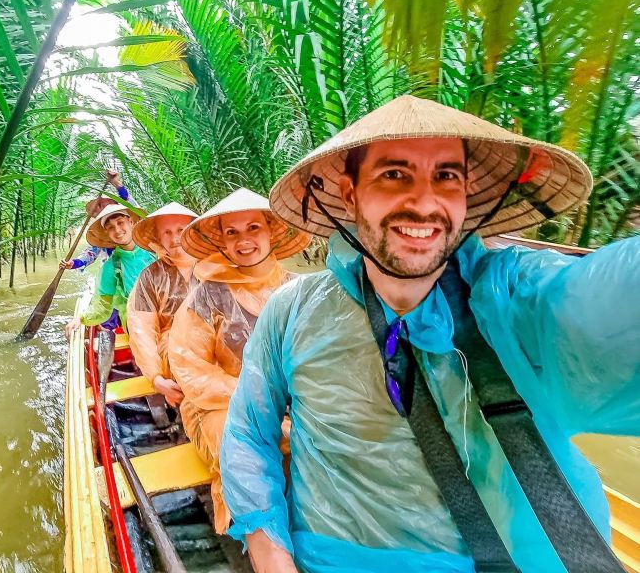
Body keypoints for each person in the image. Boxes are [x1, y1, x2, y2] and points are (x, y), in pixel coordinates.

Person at [220, 95, 640, 573]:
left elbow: (609, 303)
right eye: (394, 175)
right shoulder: (292, 309)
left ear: (467, 194)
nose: (424, 203)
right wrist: (271, 554)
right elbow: (248, 431)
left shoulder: (513, 296)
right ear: (350, 192)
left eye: (447, 176)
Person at [168, 188, 311, 534]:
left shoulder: (303, 289)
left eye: (253, 228)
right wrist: (263, 400)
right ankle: (258, 533)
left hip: (297, 404)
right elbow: (191, 368)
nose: (243, 240)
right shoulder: (206, 296)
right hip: (221, 405)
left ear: (271, 231)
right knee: (239, 444)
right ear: (222, 241)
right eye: (231, 232)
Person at [126, 202, 198, 406]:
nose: (175, 239)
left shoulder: (216, 265)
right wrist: (156, 378)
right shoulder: (150, 277)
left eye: (181, 230)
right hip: (175, 354)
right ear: (158, 239)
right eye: (167, 233)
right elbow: (142, 330)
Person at [64, 203, 155, 339]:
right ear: (106, 233)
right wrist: (80, 319)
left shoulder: (155, 249)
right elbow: (102, 306)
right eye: (111, 227)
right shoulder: (111, 266)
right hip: (138, 326)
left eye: (120, 223)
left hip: (169, 318)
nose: (117, 230)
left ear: (131, 222)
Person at [60, 169, 135, 272]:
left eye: (106, 203)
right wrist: (73, 263)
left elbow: (130, 203)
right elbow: (90, 253)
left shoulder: (131, 221)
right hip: (114, 274)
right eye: (99, 206)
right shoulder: (101, 232)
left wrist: (117, 183)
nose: (117, 230)